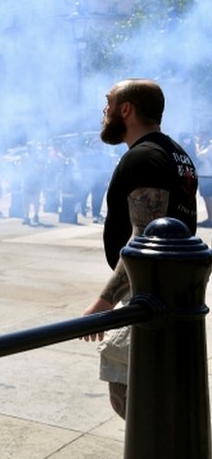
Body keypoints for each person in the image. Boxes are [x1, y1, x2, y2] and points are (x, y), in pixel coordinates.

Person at [80, 79, 198, 420]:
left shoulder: (142, 158)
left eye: (109, 102)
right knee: (154, 393)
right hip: (173, 290)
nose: (104, 111)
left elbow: (145, 238)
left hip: (147, 294)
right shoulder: (176, 153)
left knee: (131, 394)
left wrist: (104, 301)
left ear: (126, 109)